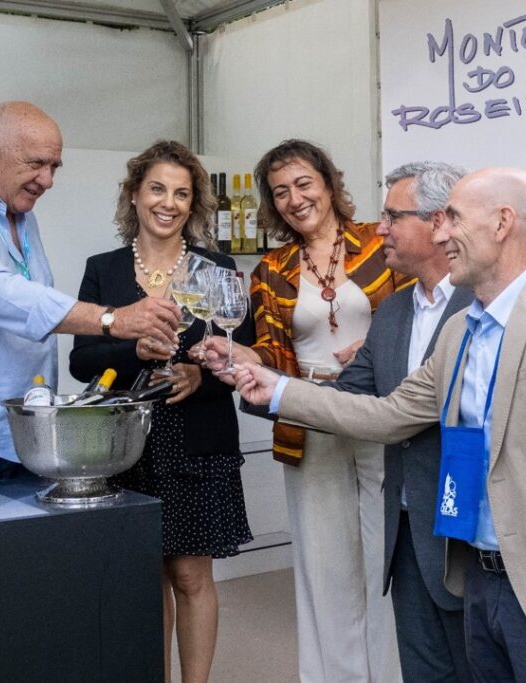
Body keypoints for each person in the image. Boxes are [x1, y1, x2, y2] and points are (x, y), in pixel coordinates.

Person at [236, 167, 526, 682]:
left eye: (454, 219)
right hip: (475, 581)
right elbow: (389, 414)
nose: (442, 234)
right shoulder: (460, 330)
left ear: (502, 223)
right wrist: (277, 390)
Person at [0, 101, 178, 490]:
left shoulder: (23, 219)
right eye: (36, 164)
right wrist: (112, 320)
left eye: (54, 167)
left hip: (25, 437)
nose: (47, 180)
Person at [204, 139, 404, 682]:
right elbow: (273, 352)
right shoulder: (271, 269)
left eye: (303, 183)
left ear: (329, 184)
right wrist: (236, 355)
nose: (294, 199)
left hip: (383, 415)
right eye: (280, 192)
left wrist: (376, 349)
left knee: (388, 561)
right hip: (308, 418)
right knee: (325, 565)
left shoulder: (380, 243)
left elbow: (419, 315)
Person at [69, 141, 253, 683]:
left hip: (196, 439)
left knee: (191, 578)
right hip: (125, 445)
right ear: (134, 194)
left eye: (181, 193)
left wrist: (200, 378)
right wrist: (133, 350)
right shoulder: (102, 270)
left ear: (193, 204)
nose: (167, 203)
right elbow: (81, 362)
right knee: (144, 582)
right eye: (157, 189)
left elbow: (241, 357)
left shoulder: (216, 268)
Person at [330, 161, 473, 682]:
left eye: (393, 217)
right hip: (407, 533)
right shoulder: (391, 313)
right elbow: (344, 400)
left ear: (438, 222)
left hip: (470, 542)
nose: (380, 230)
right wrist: (257, 382)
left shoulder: (485, 306)